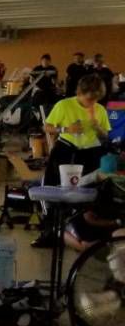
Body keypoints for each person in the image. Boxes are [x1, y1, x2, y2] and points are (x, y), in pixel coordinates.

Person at [35, 73, 112, 247]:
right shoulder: (64, 105)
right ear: (79, 93)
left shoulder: (100, 110)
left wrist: (98, 127)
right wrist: (66, 128)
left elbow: (106, 134)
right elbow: (46, 127)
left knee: (89, 192)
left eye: (96, 99)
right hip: (66, 150)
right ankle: (50, 231)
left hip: (90, 152)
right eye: (89, 99)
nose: (92, 103)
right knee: (55, 190)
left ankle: (86, 230)